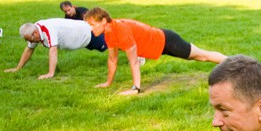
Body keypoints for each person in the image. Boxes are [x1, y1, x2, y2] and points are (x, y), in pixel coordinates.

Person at [85, 6, 227, 96]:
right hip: (159, 44)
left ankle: (235, 62)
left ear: (104, 21)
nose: (91, 28)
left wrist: (135, 88)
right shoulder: (109, 33)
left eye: (92, 24)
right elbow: (112, 59)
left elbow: (134, 61)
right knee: (200, 56)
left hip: (167, 41)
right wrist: (108, 83)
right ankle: (235, 62)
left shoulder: (121, 30)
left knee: (202, 56)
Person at [5, 19, 108, 79]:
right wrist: (18, 68)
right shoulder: (34, 32)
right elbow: (29, 49)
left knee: (112, 43)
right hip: (82, 38)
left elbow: (53, 52)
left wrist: (50, 73)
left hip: (88, 33)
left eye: (30, 39)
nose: (30, 42)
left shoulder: (48, 29)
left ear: (35, 33)